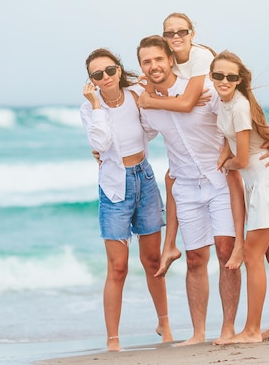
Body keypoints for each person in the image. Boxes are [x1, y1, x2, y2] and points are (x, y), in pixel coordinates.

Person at [137, 12, 269, 278]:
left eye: (182, 31)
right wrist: (104, 149)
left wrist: (268, 140)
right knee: (172, 178)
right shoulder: (169, 69)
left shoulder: (201, 62)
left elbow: (229, 103)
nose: (177, 37)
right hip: (188, 179)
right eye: (170, 34)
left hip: (223, 175)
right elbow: (139, 127)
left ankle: (237, 245)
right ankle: (171, 245)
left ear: (192, 33)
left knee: (266, 250)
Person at [136, 35, 242, 346]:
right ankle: (198, 333)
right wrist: (102, 149)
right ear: (141, 66)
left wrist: (259, 146)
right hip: (184, 186)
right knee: (195, 258)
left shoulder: (201, 90)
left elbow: (235, 111)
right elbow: (136, 134)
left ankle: (228, 329)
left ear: (170, 59)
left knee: (225, 252)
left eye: (158, 59)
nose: (153, 66)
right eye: (146, 62)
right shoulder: (146, 105)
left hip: (219, 180)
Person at [80, 48, 173, 351]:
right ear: (91, 80)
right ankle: (113, 339)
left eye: (109, 71)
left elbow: (153, 129)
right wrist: (96, 104)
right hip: (114, 189)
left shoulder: (135, 95)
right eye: (97, 75)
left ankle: (165, 323)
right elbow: (101, 143)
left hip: (144, 180)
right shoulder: (89, 109)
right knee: (118, 267)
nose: (105, 77)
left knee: (153, 260)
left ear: (118, 70)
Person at [210, 50, 269, 344]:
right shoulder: (224, 103)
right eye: (218, 75)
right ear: (211, 76)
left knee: (252, 255)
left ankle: (251, 331)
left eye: (231, 77)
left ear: (239, 80)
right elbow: (233, 140)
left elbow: (244, 158)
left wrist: (226, 161)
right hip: (260, 183)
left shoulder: (239, 106)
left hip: (264, 183)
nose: (224, 81)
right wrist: (226, 149)